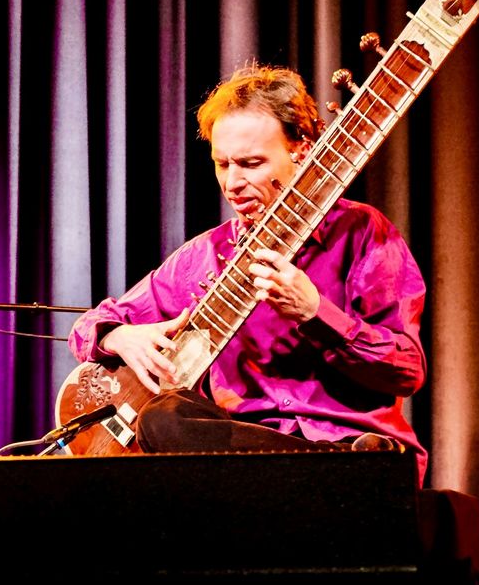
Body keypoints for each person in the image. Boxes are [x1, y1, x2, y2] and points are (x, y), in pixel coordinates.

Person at [69, 64, 428, 480]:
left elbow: (407, 370)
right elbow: (89, 324)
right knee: (166, 417)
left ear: (305, 150)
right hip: (243, 458)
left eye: (251, 163)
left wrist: (318, 314)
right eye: (223, 165)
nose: (233, 182)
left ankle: (328, 469)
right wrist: (118, 335)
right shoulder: (204, 255)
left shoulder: (362, 232)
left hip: (352, 450)